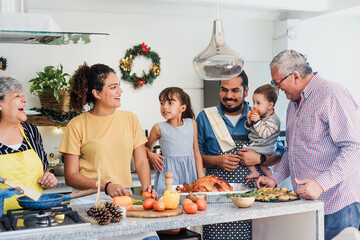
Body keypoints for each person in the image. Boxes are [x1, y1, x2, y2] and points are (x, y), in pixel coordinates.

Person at [255, 49, 360, 240]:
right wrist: (276, 178)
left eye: (277, 83)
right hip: (307, 204)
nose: (277, 89)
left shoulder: (332, 95)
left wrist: (321, 183)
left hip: (337, 204)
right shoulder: (293, 104)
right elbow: (291, 150)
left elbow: (354, 149)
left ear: (295, 76)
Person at [59, 63, 159, 240]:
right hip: (88, 200)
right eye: (113, 87)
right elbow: (71, 175)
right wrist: (106, 186)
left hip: (123, 200)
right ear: (97, 94)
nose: (120, 91)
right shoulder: (77, 125)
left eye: (119, 85)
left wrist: (147, 188)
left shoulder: (130, 119)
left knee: (150, 237)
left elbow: (141, 160)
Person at [196, 71, 284, 240]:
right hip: (216, 200)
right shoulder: (206, 117)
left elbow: (279, 153)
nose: (228, 96)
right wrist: (217, 161)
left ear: (246, 91)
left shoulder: (260, 115)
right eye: (224, 90)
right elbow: (196, 157)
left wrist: (260, 159)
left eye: (235, 90)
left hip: (253, 199)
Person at [0, 76, 57, 213]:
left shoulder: (31, 131)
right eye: (17, 96)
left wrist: (49, 179)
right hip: (3, 220)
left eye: (23, 95)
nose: (24, 99)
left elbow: (44, 170)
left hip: (35, 216)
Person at [146, 87, 205, 198]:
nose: (165, 106)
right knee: (169, 206)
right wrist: (150, 154)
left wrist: (201, 179)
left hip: (190, 174)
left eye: (170, 102)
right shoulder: (158, 128)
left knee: (190, 206)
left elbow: (197, 154)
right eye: (162, 103)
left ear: (182, 108)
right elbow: (145, 148)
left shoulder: (192, 124)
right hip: (168, 177)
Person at [244, 84, 280, 182]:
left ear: (270, 105)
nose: (254, 106)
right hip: (260, 146)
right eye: (254, 102)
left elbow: (264, 134)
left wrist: (257, 121)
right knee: (264, 167)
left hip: (265, 148)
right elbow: (249, 129)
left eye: (258, 103)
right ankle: (273, 180)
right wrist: (249, 122)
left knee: (243, 152)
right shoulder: (261, 116)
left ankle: (254, 172)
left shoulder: (274, 120)